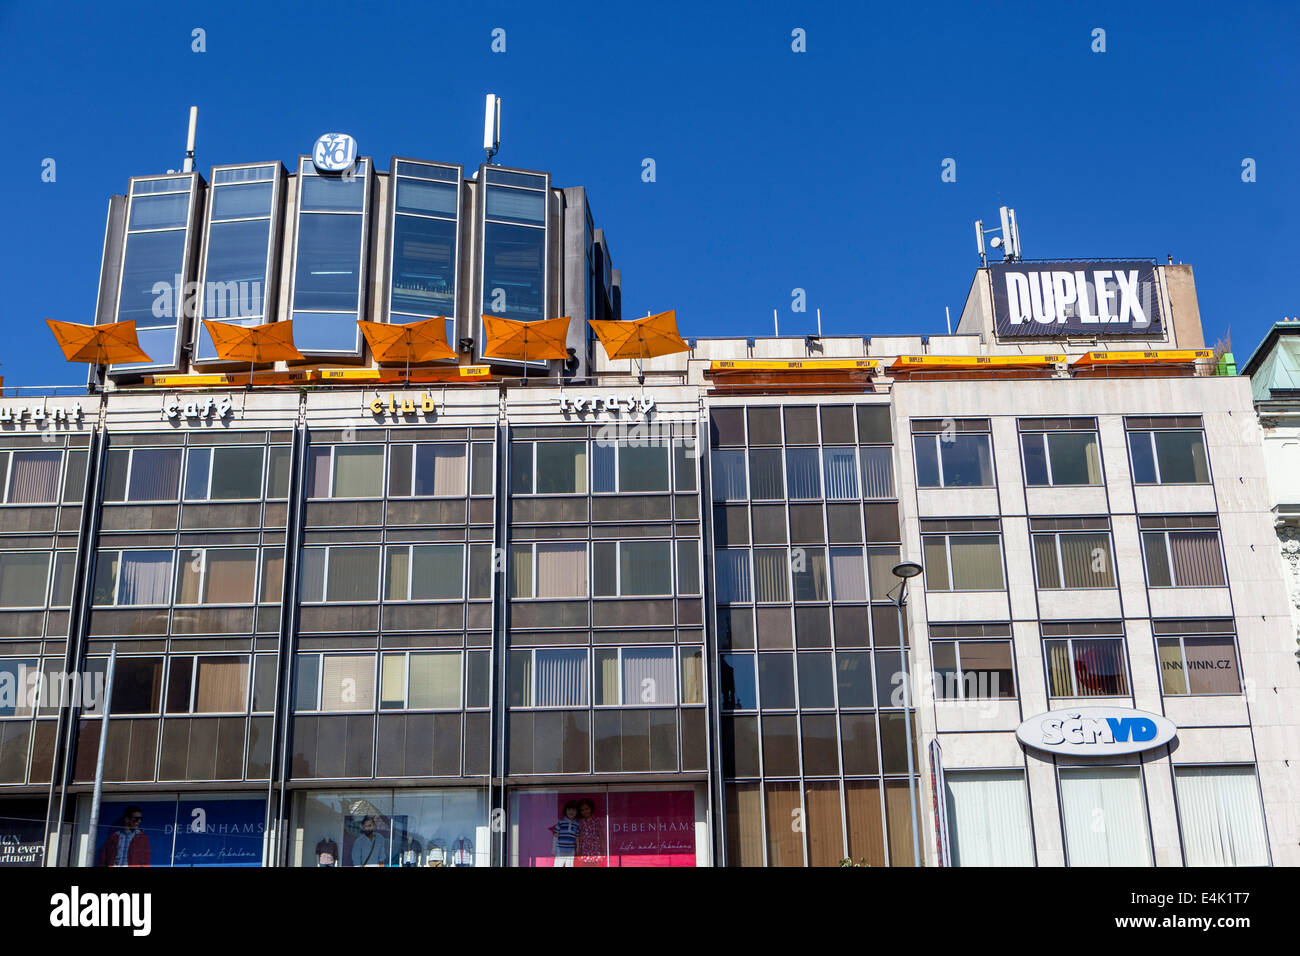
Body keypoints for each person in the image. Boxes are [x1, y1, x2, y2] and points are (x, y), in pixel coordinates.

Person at [549, 801, 580, 867]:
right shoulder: (561, 822)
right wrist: (554, 848)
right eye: (569, 810)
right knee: (558, 865)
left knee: (570, 865)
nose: (571, 812)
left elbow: (577, 837)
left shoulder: (576, 824)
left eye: (573, 810)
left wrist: (577, 848)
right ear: (565, 811)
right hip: (560, 849)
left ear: (577, 812)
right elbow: (555, 835)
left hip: (571, 849)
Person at [575, 798, 605, 867]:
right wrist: (578, 848)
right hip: (585, 847)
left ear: (591, 808)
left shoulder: (596, 820)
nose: (585, 811)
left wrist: (603, 848)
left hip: (595, 847)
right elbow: (580, 835)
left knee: (595, 864)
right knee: (585, 864)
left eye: (587, 809)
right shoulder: (581, 822)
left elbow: (600, 834)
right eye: (582, 810)